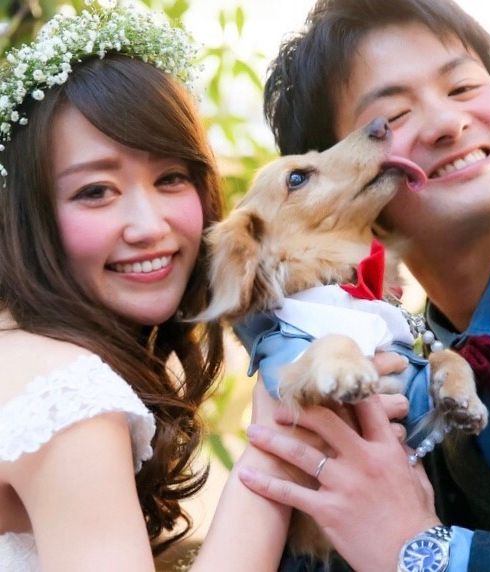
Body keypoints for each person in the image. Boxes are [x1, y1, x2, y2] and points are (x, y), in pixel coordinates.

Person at [0, 3, 417, 571]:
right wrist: (281, 442)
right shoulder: (68, 400)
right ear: (29, 216)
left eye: (171, 178)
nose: (149, 226)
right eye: (95, 191)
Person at [235, 0, 490, 570]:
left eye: (463, 87)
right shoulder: (383, 360)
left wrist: (425, 548)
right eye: (391, 118)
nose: (448, 123)